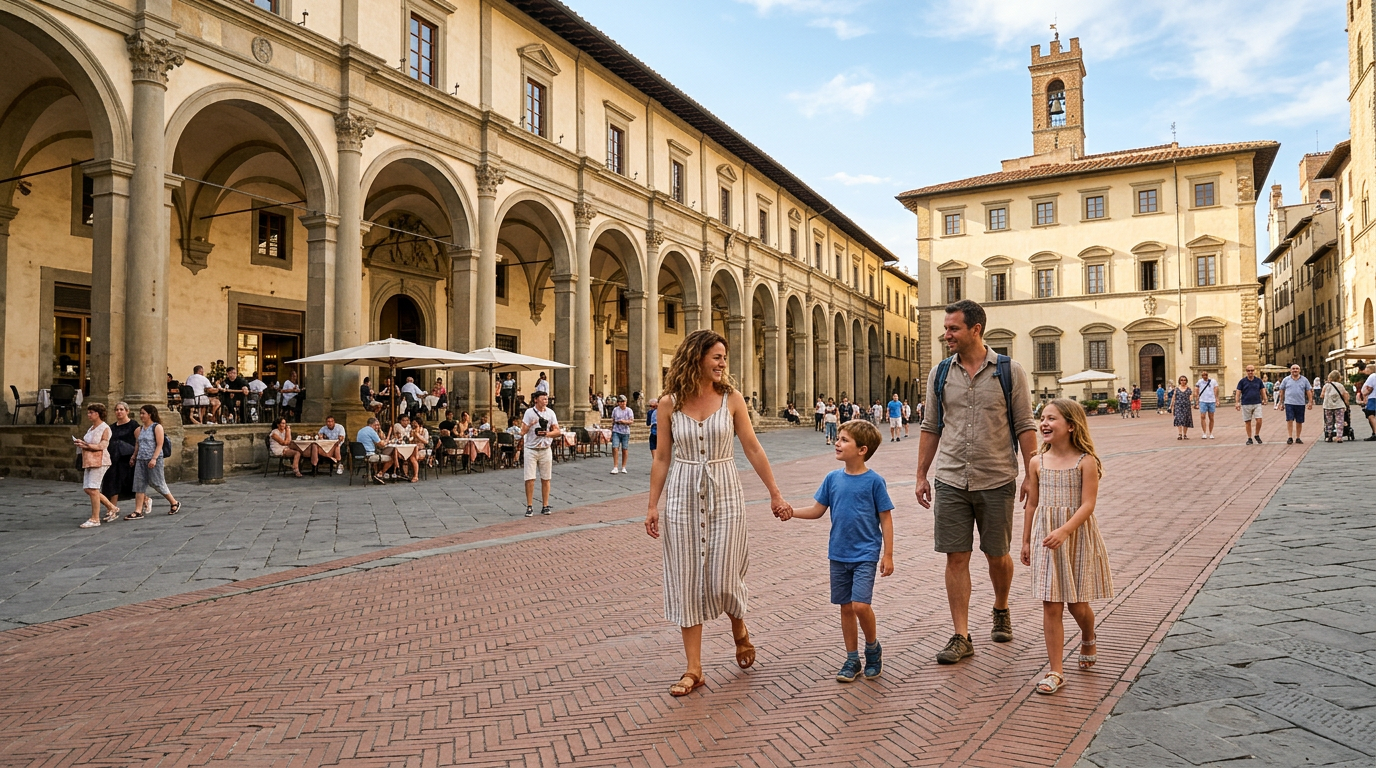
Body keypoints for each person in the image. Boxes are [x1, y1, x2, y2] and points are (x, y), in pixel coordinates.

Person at [644, 329, 793, 697]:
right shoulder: (669, 404)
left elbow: (754, 449)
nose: (723, 363)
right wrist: (652, 505)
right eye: (716, 357)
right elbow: (662, 457)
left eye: (724, 357)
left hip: (726, 492)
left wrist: (775, 493)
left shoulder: (732, 399)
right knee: (686, 578)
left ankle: (738, 627)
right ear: (696, 358)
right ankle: (694, 669)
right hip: (682, 492)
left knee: (725, 573)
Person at [916, 300, 1036, 665]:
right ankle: (961, 634)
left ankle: (1001, 607)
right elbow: (930, 427)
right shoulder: (939, 374)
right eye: (946, 328)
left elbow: (1025, 426)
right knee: (956, 556)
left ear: (976, 329)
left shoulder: (1009, 371)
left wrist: (1032, 474)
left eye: (953, 328)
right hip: (951, 478)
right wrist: (921, 473)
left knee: (997, 555)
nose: (946, 335)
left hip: (996, 477)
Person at [778, 419, 894, 683]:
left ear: (862, 449)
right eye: (838, 438)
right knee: (845, 608)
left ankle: (872, 649)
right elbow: (818, 510)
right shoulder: (832, 479)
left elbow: (885, 518)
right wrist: (791, 512)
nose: (837, 443)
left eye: (844, 440)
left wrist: (888, 554)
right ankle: (852, 658)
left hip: (865, 553)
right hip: (838, 553)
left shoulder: (875, 481)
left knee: (861, 605)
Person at [1019, 399, 1113, 695]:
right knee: (1051, 602)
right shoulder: (1037, 461)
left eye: (1052, 419)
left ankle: (1088, 633)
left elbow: (1088, 504)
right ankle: (1056, 670)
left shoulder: (1085, 461)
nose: (1044, 423)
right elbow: (1032, 503)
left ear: (1071, 425)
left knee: (1076, 603)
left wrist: (1064, 529)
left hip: (1075, 534)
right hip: (1045, 538)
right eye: (1042, 418)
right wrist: (1024, 540)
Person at [127, 405, 180, 518]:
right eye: (140, 413)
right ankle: (138, 510)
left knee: (157, 483)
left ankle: (174, 502)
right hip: (141, 459)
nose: (141, 416)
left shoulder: (157, 427)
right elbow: (138, 444)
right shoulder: (139, 429)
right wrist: (133, 456)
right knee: (139, 485)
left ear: (150, 414)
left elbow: (159, 444)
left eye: (143, 413)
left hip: (154, 459)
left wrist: (154, 459)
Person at [76, 402, 120, 528]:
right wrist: (82, 443)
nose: (89, 415)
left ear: (98, 414)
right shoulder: (91, 428)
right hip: (89, 460)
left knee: (93, 489)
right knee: (87, 488)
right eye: (88, 412)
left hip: (100, 460)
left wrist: (87, 446)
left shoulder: (105, 428)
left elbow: (102, 446)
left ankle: (95, 518)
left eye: (91, 412)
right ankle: (112, 507)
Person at [521, 390, 561, 516]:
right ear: (536, 400)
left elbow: (557, 431)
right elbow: (522, 431)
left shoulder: (550, 413)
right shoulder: (529, 412)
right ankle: (529, 505)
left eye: (546, 398)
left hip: (545, 448)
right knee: (530, 478)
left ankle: (545, 505)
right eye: (543, 398)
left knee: (546, 478)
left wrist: (547, 434)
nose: (545, 400)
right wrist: (531, 425)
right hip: (531, 449)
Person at [100, 402, 137, 515]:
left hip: (127, 459)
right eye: (117, 410)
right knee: (113, 483)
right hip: (114, 459)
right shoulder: (111, 427)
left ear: (127, 411)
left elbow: (138, 442)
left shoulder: (133, 425)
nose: (119, 412)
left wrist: (134, 456)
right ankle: (112, 508)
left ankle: (145, 499)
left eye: (121, 409)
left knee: (128, 484)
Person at [1274, 364, 1313, 445]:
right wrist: (1280, 402)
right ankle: (1290, 437)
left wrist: (1310, 401)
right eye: (1293, 369)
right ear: (1290, 370)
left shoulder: (1304, 380)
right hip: (1289, 403)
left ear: (1299, 370)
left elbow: (1308, 391)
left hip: (1300, 403)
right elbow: (1282, 391)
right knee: (1289, 420)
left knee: (1299, 421)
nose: (1295, 370)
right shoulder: (1286, 380)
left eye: (1297, 369)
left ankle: (1298, 437)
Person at [1235, 365, 1268, 445]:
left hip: (1257, 403)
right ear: (1246, 371)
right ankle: (1249, 438)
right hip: (1246, 403)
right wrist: (1237, 402)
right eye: (1249, 370)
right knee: (1248, 421)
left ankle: (1256, 434)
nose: (1250, 372)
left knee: (1259, 420)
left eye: (1252, 370)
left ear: (1254, 371)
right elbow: (1238, 391)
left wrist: (1265, 399)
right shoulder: (1242, 381)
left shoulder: (1258, 381)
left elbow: (1262, 390)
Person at [356, 417, 393, 484]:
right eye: (376, 425)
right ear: (370, 425)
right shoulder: (371, 431)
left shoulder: (360, 430)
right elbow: (381, 445)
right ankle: (379, 474)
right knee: (391, 458)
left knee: (378, 454)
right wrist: (388, 441)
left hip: (360, 454)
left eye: (378, 425)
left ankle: (374, 473)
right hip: (369, 455)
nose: (377, 427)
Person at [1322, 370, 1351, 442]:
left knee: (1329, 421)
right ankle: (1339, 437)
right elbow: (1345, 395)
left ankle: (1329, 436)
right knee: (1340, 421)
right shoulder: (1340, 386)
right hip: (1339, 406)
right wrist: (1347, 404)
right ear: (1338, 378)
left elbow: (1322, 395)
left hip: (1328, 406)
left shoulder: (1326, 386)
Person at [610, 395, 634, 474]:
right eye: (620, 402)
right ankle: (615, 466)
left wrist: (624, 422)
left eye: (623, 402)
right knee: (615, 448)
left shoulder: (629, 410)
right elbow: (613, 420)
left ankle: (623, 466)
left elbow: (631, 421)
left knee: (625, 449)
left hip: (625, 431)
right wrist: (612, 428)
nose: (622, 403)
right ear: (618, 403)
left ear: (626, 402)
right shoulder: (615, 410)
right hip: (616, 430)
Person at [1195, 372, 1219, 439]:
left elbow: (1216, 390)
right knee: (1202, 416)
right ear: (1201, 376)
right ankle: (1204, 432)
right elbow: (1196, 390)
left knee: (1211, 417)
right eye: (1203, 375)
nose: (1204, 376)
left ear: (1208, 375)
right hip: (1203, 401)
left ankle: (1211, 432)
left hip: (1211, 401)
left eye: (1206, 375)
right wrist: (1197, 400)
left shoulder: (1213, 381)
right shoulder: (1199, 382)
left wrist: (1217, 399)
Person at [1170, 375, 1194, 439]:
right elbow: (1173, 397)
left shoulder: (1189, 389)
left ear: (1186, 381)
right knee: (1179, 418)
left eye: (1184, 380)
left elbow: (1191, 397)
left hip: (1186, 406)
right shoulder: (1176, 389)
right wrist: (1171, 406)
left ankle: (1185, 434)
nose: (1183, 381)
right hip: (1178, 406)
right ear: (1179, 381)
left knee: (1186, 419)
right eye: (1181, 380)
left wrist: (1191, 402)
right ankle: (1180, 434)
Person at [1360, 363, 1376, 440]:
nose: (1364, 370)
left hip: (1373, 398)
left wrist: (1365, 394)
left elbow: (1369, 388)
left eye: (1366, 368)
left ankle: (1375, 433)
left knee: (1371, 415)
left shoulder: (1372, 376)